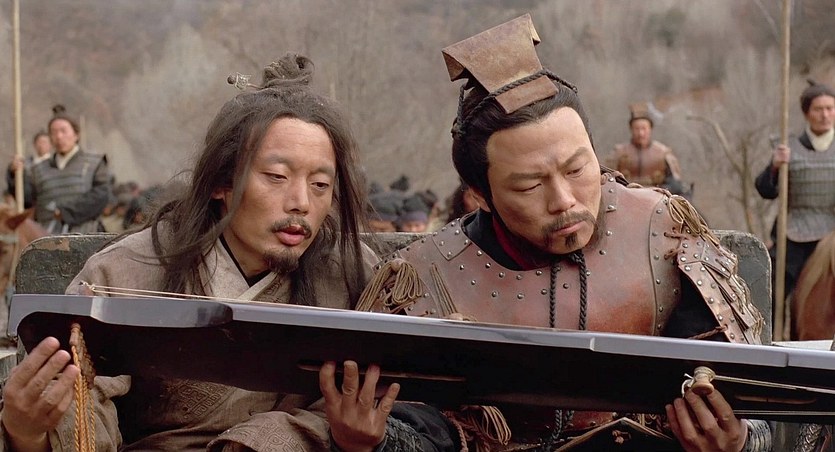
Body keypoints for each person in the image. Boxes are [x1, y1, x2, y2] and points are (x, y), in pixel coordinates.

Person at [340, 14, 770, 451]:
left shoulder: (664, 231)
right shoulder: (424, 279)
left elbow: (746, 394)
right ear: (479, 195)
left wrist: (737, 439)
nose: (564, 200)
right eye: (529, 186)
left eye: (578, 168)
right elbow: (419, 422)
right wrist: (373, 440)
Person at [0, 53, 386, 451]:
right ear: (222, 183)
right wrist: (26, 432)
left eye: (320, 184)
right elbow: (81, 405)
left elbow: (377, 404)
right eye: (277, 176)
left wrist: (344, 438)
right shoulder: (125, 272)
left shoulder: (350, 278)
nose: (301, 203)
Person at [755, 79, 835, 310]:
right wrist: (775, 166)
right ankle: (766, 330)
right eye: (818, 109)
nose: (825, 115)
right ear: (807, 113)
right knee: (769, 288)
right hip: (796, 232)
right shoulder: (788, 148)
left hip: (833, 232)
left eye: (830, 108)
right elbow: (765, 191)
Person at [19, 105, 111, 233]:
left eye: (63, 131)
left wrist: (66, 212)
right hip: (47, 235)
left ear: (76, 134)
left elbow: (100, 196)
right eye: (54, 132)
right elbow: (27, 200)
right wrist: (16, 174)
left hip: (87, 232)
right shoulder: (37, 169)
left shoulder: (94, 163)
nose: (59, 136)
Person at [608, 102, 689, 196]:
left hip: (657, 197)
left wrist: (660, 190)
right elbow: (608, 180)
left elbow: (675, 183)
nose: (641, 133)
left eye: (644, 128)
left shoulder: (663, 153)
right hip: (625, 196)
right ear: (631, 129)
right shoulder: (619, 152)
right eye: (637, 129)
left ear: (650, 129)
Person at [6, 130, 53, 209]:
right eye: (39, 142)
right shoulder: (25, 164)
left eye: (44, 142)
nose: (41, 145)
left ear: (51, 145)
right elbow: (13, 184)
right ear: (35, 144)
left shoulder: (54, 164)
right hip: (27, 206)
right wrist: (12, 171)